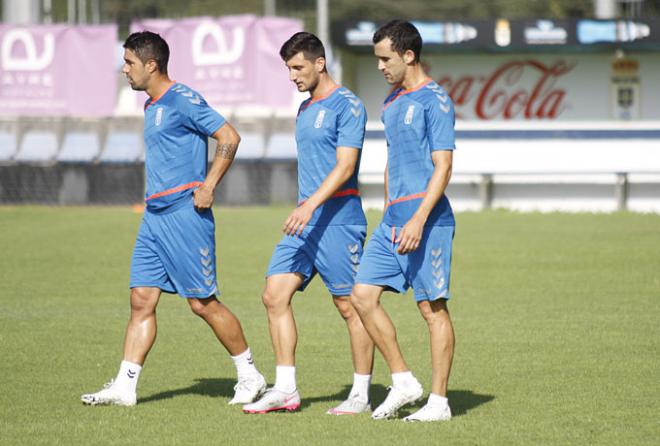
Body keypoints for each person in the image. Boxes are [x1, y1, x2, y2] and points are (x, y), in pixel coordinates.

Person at [81, 31, 266, 406]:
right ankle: (125, 387)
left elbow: (228, 136)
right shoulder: (151, 105)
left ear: (151, 64)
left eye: (129, 62)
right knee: (141, 299)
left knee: (202, 303)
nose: (124, 69)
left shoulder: (183, 99)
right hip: (153, 216)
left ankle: (250, 374)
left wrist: (209, 184)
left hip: (185, 214)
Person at [243, 32, 374, 415]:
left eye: (298, 66)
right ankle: (285, 389)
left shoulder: (348, 106)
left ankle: (361, 394)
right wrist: (306, 208)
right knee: (274, 295)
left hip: (338, 220)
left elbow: (346, 166)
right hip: (305, 222)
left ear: (320, 63)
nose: (292, 75)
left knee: (350, 306)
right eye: (288, 68)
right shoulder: (304, 108)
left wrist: (310, 205)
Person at [350, 20, 457, 422]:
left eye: (385, 58)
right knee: (361, 296)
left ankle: (439, 403)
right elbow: (392, 162)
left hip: (427, 221)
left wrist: (417, 218)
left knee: (432, 309)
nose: (380, 66)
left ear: (408, 55)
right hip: (391, 220)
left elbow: (443, 167)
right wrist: (388, 210)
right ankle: (403, 380)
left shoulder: (436, 100)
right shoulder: (391, 103)